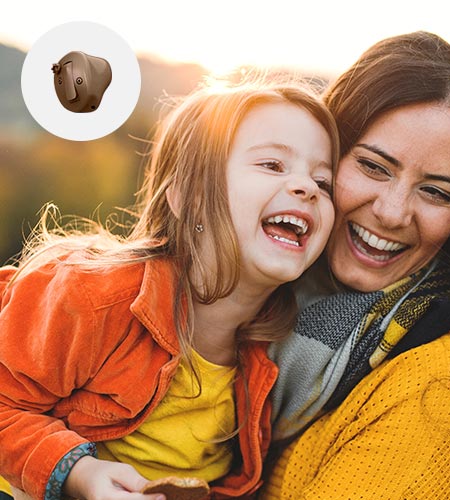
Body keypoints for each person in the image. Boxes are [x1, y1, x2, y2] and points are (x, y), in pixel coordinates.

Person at [261, 31, 450, 499]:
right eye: (373, 167)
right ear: (324, 155)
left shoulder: (440, 389)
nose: (391, 211)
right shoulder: (256, 303)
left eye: (437, 192)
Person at [0, 80, 339, 500]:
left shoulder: (279, 353)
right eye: (272, 165)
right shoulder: (90, 293)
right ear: (186, 197)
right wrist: (78, 472)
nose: (307, 187)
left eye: (324, 182)